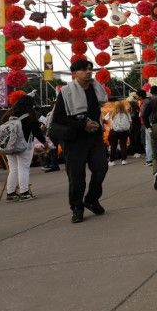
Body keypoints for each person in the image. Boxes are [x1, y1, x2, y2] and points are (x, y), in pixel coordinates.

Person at [50, 59, 109, 223]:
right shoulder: (66, 92)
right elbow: (58, 119)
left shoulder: (97, 89)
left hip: (95, 136)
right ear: (74, 74)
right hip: (75, 140)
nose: (89, 72)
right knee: (76, 177)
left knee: (102, 168)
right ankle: (77, 207)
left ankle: (91, 199)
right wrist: (82, 124)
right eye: (84, 70)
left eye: (90, 69)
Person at [0, 96, 47, 202]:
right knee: (23, 168)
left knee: (13, 169)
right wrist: (44, 142)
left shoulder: (8, 114)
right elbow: (36, 131)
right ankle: (24, 193)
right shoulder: (30, 115)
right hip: (24, 145)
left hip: (9, 146)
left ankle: (10, 193)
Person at [105, 100, 131, 166]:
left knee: (113, 146)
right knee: (123, 145)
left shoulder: (111, 113)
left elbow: (105, 119)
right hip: (124, 131)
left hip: (114, 131)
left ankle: (112, 161)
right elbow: (130, 121)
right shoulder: (126, 113)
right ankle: (124, 160)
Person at [140, 86, 157, 167]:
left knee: (148, 142)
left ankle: (149, 159)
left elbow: (143, 115)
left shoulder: (146, 102)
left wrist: (147, 126)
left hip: (149, 123)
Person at [128, 90, 145, 158]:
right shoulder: (136, 105)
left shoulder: (132, 105)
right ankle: (137, 151)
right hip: (136, 123)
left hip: (133, 123)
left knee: (134, 137)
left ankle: (135, 151)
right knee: (136, 137)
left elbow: (134, 115)